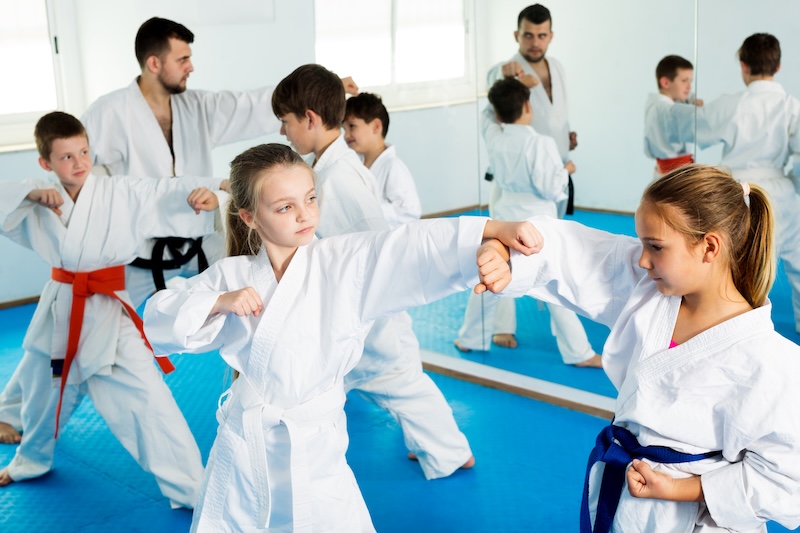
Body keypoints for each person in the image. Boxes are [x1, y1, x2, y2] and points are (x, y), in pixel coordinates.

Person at [0, 15, 359, 447]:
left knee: (249, 291)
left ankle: (279, 377)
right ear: (154, 63)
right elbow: (67, 162)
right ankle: (15, 411)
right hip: (135, 249)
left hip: (196, 236)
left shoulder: (197, 106)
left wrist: (320, 90)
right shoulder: (109, 113)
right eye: (183, 58)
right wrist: (42, 195)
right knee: (69, 328)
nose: (191, 66)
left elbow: (246, 103)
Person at [142, 142, 538, 531]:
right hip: (245, 454)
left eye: (310, 198)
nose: (304, 215)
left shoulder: (344, 261)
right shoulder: (232, 276)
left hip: (316, 454)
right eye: (285, 207)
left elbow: (406, 245)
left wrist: (494, 229)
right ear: (249, 217)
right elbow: (160, 314)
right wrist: (219, 302)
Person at [484, 164, 800, 532]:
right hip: (627, 502)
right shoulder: (649, 292)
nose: (642, 259)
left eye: (655, 247)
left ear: (709, 247)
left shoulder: (772, 362)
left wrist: (680, 489)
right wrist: (507, 252)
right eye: (641, 243)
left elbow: (786, 479)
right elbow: (576, 254)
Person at [0, 111, 229, 508]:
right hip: (61, 312)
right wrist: (28, 194)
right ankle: (29, 461)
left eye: (84, 151)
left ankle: (194, 488)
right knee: (43, 394)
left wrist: (213, 190)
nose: (79, 163)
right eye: (66, 157)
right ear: (46, 163)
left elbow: (161, 190)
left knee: (150, 402)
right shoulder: (39, 196)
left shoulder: (117, 191)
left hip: (108, 313)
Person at [272, 64, 476, 479]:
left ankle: (452, 452)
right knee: (392, 381)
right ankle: (443, 448)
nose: (283, 132)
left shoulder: (336, 178)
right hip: (360, 305)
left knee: (398, 379)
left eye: (286, 122)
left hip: (369, 304)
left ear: (310, 119)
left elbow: (365, 250)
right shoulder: (333, 169)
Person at [454, 78, 601, 367]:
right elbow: (550, 187)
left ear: (497, 113)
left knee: (489, 276)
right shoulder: (539, 143)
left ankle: (470, 338)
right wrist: (565, 170)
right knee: (554, 283)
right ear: (527, 106)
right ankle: (579, 352)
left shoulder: (494, 135)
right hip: (537, 223)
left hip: (504, 217)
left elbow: (489, 115)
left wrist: (504, 91)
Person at [668, 33, 800, 334]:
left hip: (738, 193)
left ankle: (733, 329)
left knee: (737, 265)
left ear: (743, 65)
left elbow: (696, 128)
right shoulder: (792, 106)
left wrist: (685, 104)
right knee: (798, 264)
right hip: (783, 191)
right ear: (778, 66)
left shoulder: (731, 105)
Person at [487, 3, 577, 216]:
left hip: (557, 168)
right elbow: (494, 85)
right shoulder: (508, 70)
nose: (535, 42)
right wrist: (505, 74)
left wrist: (566, 135)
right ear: (516, 35)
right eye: (528, 35)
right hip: (522, 180)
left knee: (554, 233)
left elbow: (558, 112)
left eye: (541, 35)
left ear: (551, 36)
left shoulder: (557, 67)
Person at [343, 92, 422, 228]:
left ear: (376, 126)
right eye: (343, 129)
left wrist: (367, 209)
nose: (346, 135)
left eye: (352, 126)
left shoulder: (393, 166)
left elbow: (410, 211)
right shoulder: (355, 163)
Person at [643, 55, 701, 177]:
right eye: (684, 81)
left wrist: (691, 101)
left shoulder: (659, 104)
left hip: (670, 173)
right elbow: (681, 115)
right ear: (665, 82)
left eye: (690, 81)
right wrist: (698, 110)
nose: (689, 86)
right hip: (674, 177)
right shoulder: (667, 110)